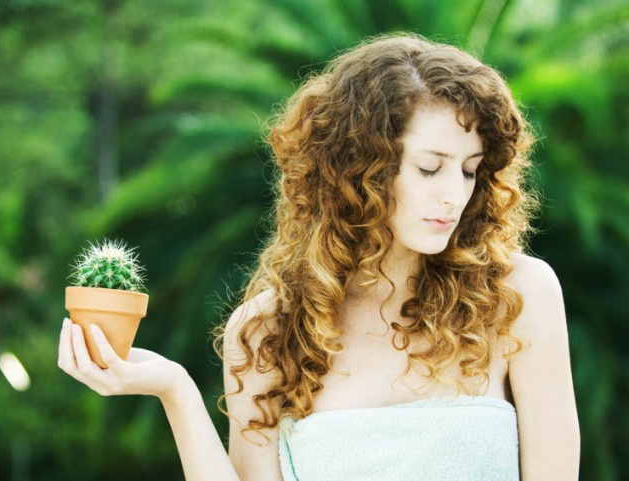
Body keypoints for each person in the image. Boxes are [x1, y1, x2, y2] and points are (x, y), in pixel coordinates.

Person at [58, 33, 580, 480]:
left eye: (468, 170)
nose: (454, 194)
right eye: (429, 167)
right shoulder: (267, 333)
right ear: (360, 169)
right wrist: (174, 389)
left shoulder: (517, 294)